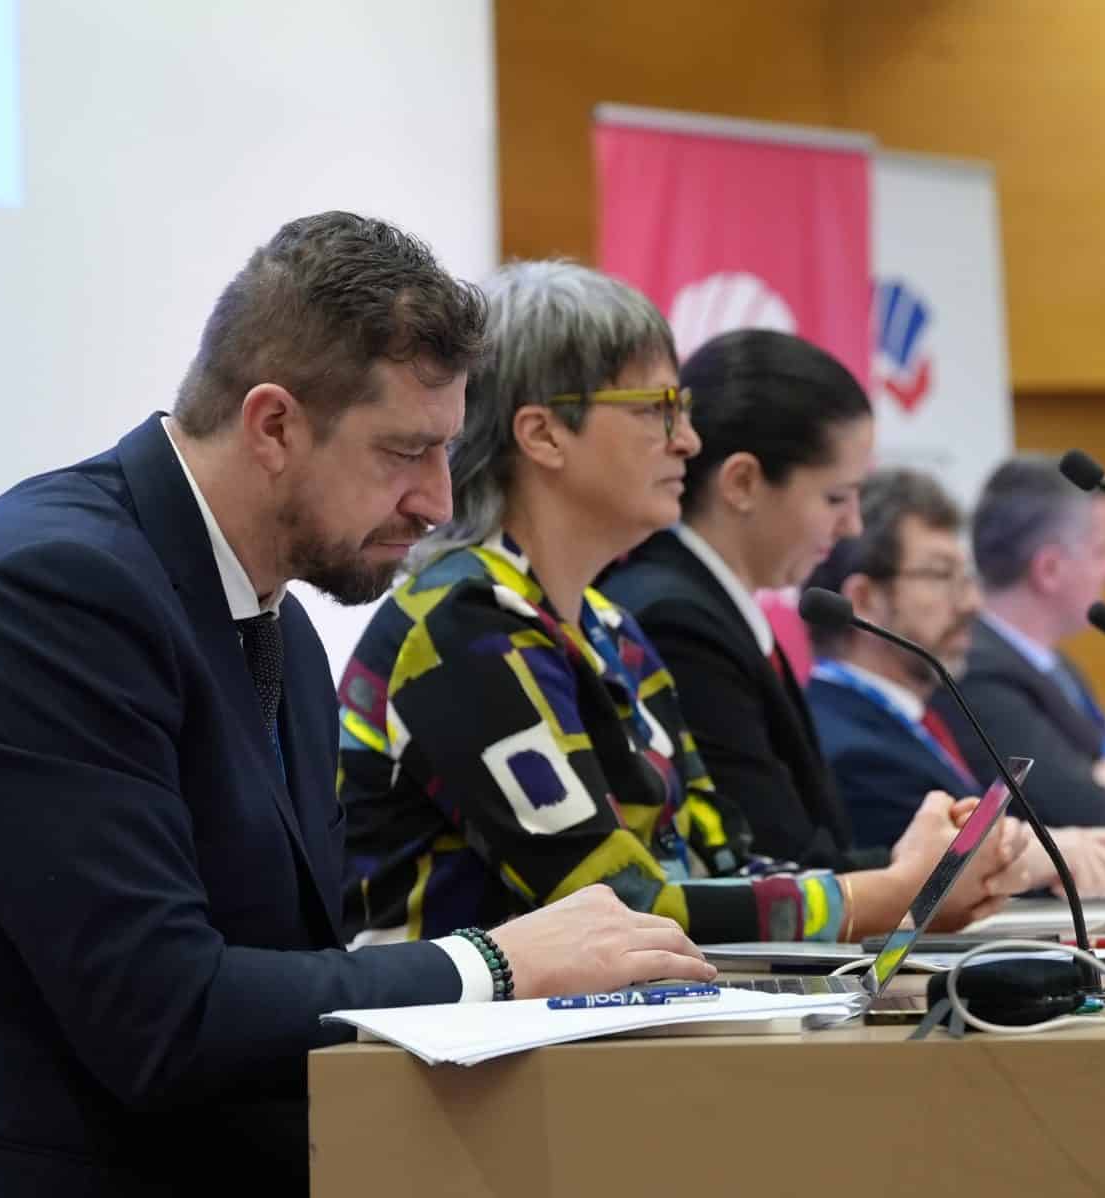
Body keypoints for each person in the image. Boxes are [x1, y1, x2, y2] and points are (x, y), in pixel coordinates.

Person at [0, 213, 711, 1198]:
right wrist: (496, 966)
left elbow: (281, 972)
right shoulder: (48, 593)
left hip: (180, 1151)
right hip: (7, 1194)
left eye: (447, 451)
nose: (437, 501)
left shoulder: (272, 625)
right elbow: (165, 1017)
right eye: (405, 452)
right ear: (274, 424)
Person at [337, 262, 1028, 950]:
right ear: (543, 435)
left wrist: (912, 873)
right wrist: (890, 893)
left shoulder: (611, 631)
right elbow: (619, 907)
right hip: (451, 1021)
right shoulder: (461, 628)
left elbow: (719, 863)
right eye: (655, 409)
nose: (688, 441)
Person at [600, 327, 888, 872]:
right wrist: (931, 870)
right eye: (836, 497)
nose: (853, 525)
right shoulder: (675, 623)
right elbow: (769, 860)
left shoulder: (709, 604)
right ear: (742, 483)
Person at [805, 469, 1105, 896]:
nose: (972, 603)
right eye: (942, 576)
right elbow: (936, 885)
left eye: (967, 578)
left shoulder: (906, 721)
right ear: (865, 600)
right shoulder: (851, 746)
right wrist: (1047, 859)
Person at [949, 456, 1105, 875]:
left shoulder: (1055, 666)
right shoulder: (979, 676)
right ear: (1049, 569)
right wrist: (1103, 781)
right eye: (1101, 551)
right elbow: (1090, 819)